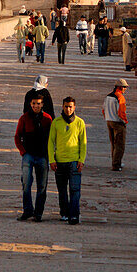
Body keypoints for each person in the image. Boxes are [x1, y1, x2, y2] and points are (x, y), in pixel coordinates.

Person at [48, 96, 87, 224]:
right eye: (66, 106)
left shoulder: (80, 122)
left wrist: (81, 159)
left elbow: (83, 143)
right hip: (60, 162)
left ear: (74, 107)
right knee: (62, 190)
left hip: (74, 161)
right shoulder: (56, 122)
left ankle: (74, 215)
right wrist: (51, 159)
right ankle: (64, 212)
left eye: (71, 107)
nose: (68, 109)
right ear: (62, 107)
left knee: (75, 189)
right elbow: (51, 142)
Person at [14, 93, 52, 221]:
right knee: (26, 184)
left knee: (42, 186)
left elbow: (52, 139)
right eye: (34, 103)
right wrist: (23, 152)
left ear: (42, 105)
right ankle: (27, 210)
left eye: (39, 103)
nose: (36, 106)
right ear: (30, 104)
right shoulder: (24, 118)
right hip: (28, 156)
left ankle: (38, 213)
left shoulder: (47, 119)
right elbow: (17, 136)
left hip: (42, 156)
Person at [102, 79, 128, 171]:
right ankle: (116, 165)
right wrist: (124, 122)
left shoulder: (108, 96)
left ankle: (115, 161)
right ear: (120, 87)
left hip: (109, 121)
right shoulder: (120, 97)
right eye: (124, 87)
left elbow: (103, 109)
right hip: (117, 122)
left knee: (113, 143)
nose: (125, 89)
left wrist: (107, 117)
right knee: (120, 145)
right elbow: (121, 112)